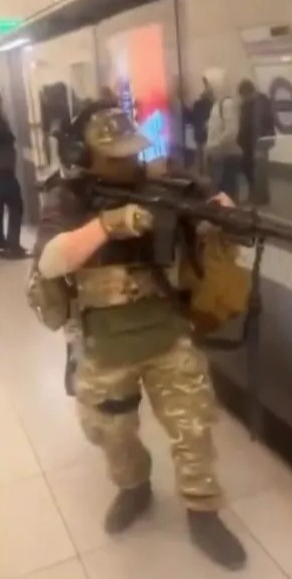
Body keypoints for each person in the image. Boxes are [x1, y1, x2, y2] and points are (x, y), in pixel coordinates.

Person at [27, 102, 247, 571]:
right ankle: (135, 488)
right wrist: (108, 224)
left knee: (194, 428)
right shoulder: (69, 198)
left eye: (132, 153)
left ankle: (203, 512)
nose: (128, 164)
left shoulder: (167, 184)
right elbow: (48, 260)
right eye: (113, 156)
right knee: (111, 432)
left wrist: (222, 212)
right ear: (84, 154)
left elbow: (218, 210)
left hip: (167, 334)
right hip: (105, 345)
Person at [204, 67, 240, 199]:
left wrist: (216, 144)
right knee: (218, 187)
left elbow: (231, 130)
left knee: (224, 189)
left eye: (207, 85)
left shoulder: (227, 104)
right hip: (217, 155)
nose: (206, 89)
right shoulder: (217, 103)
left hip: (223, 156)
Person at [238, 79, 275, 205]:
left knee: (260, 170)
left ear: (249, 92)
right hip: (247, 143)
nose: (243, 98)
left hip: (259, 141)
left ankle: (262, 197)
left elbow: (267, 122)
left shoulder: (262, 102)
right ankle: (254, 194)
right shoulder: (245, 105)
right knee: (249, 169)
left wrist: (264, 139)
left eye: (244, 96)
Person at [0, 93, 27, 258]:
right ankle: (13, 246)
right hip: (5, 173)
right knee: (16, 207)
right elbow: (8, 140)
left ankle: (2, 244)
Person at [190, 75, 214, 174]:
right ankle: (205, 173)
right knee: (204, 157)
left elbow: (193, 118)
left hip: (200, 133)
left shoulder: (198, 104)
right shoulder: (211, 104)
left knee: (201, 157)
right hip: (205, 133)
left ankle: (202, 173)